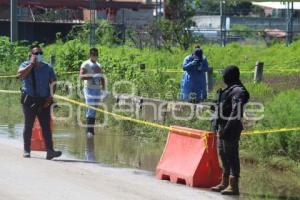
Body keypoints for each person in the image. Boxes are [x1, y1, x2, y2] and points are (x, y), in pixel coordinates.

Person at [17, 44, 62, 160]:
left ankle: (50, 151)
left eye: (40, 53)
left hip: (44, 102)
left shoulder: (47, 67)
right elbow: (20, 75)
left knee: (46, 127)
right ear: (31, 55)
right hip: (29, 100)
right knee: (28, 126)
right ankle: (27, 150)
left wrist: (50, 98)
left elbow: (53, 82)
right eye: (36, 53)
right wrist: (32, 64)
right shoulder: (25, 65)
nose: (38, 55)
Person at [210, 65, 250, 195]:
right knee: (223, 154)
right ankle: (224, 182)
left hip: (230, 129)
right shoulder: (229, 90)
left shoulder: (238, 91)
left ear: (229, 76)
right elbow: (225, 107)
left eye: (224, 75)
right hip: (223, 128)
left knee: (231, 156)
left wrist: (226, 129)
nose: (223, 77)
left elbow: (236, 111)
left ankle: (234, 185)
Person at [80, 48, 105, 138]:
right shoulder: (86, 64)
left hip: (97, 89)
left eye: (96, 54)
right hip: (89, 89)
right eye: (93, 54)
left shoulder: (99, 65)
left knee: (94, 109)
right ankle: (89, 131)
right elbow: (81, 76)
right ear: (90, 55)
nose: (95, 56)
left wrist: (104, 89)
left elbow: (102, 77)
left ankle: (92, 130)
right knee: (90, 107)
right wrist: (91, 76)